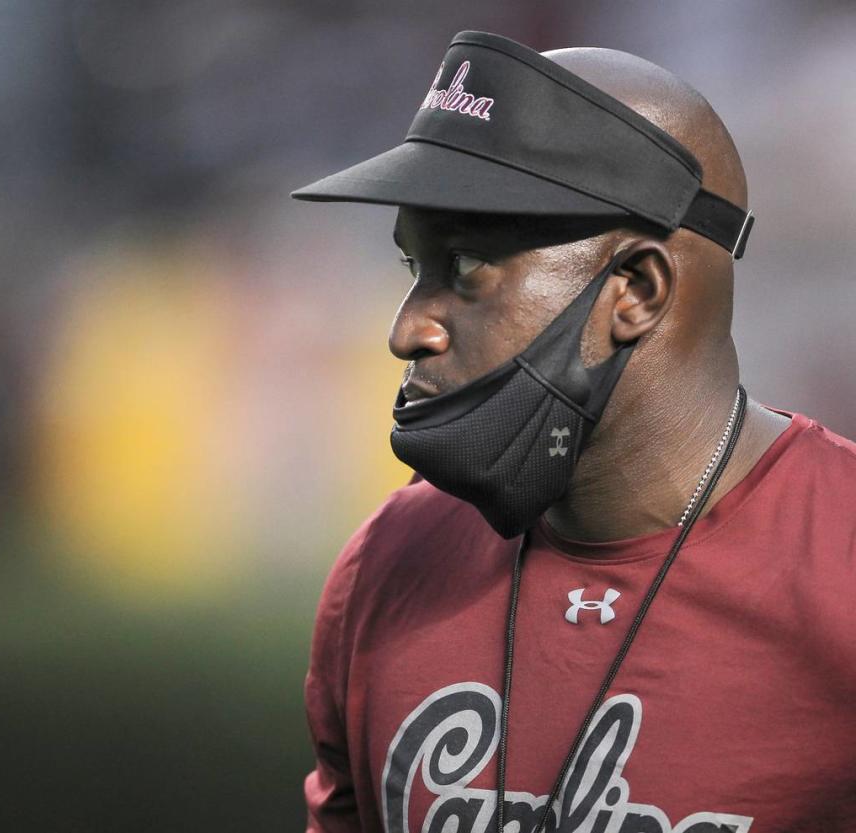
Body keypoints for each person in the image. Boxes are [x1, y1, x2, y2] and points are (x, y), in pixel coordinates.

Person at [291, 31, 856, 833]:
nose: (408, 328)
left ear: (636, 289)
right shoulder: (387, 564)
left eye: (464, 271)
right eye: (412, 269)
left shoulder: (841, 564)